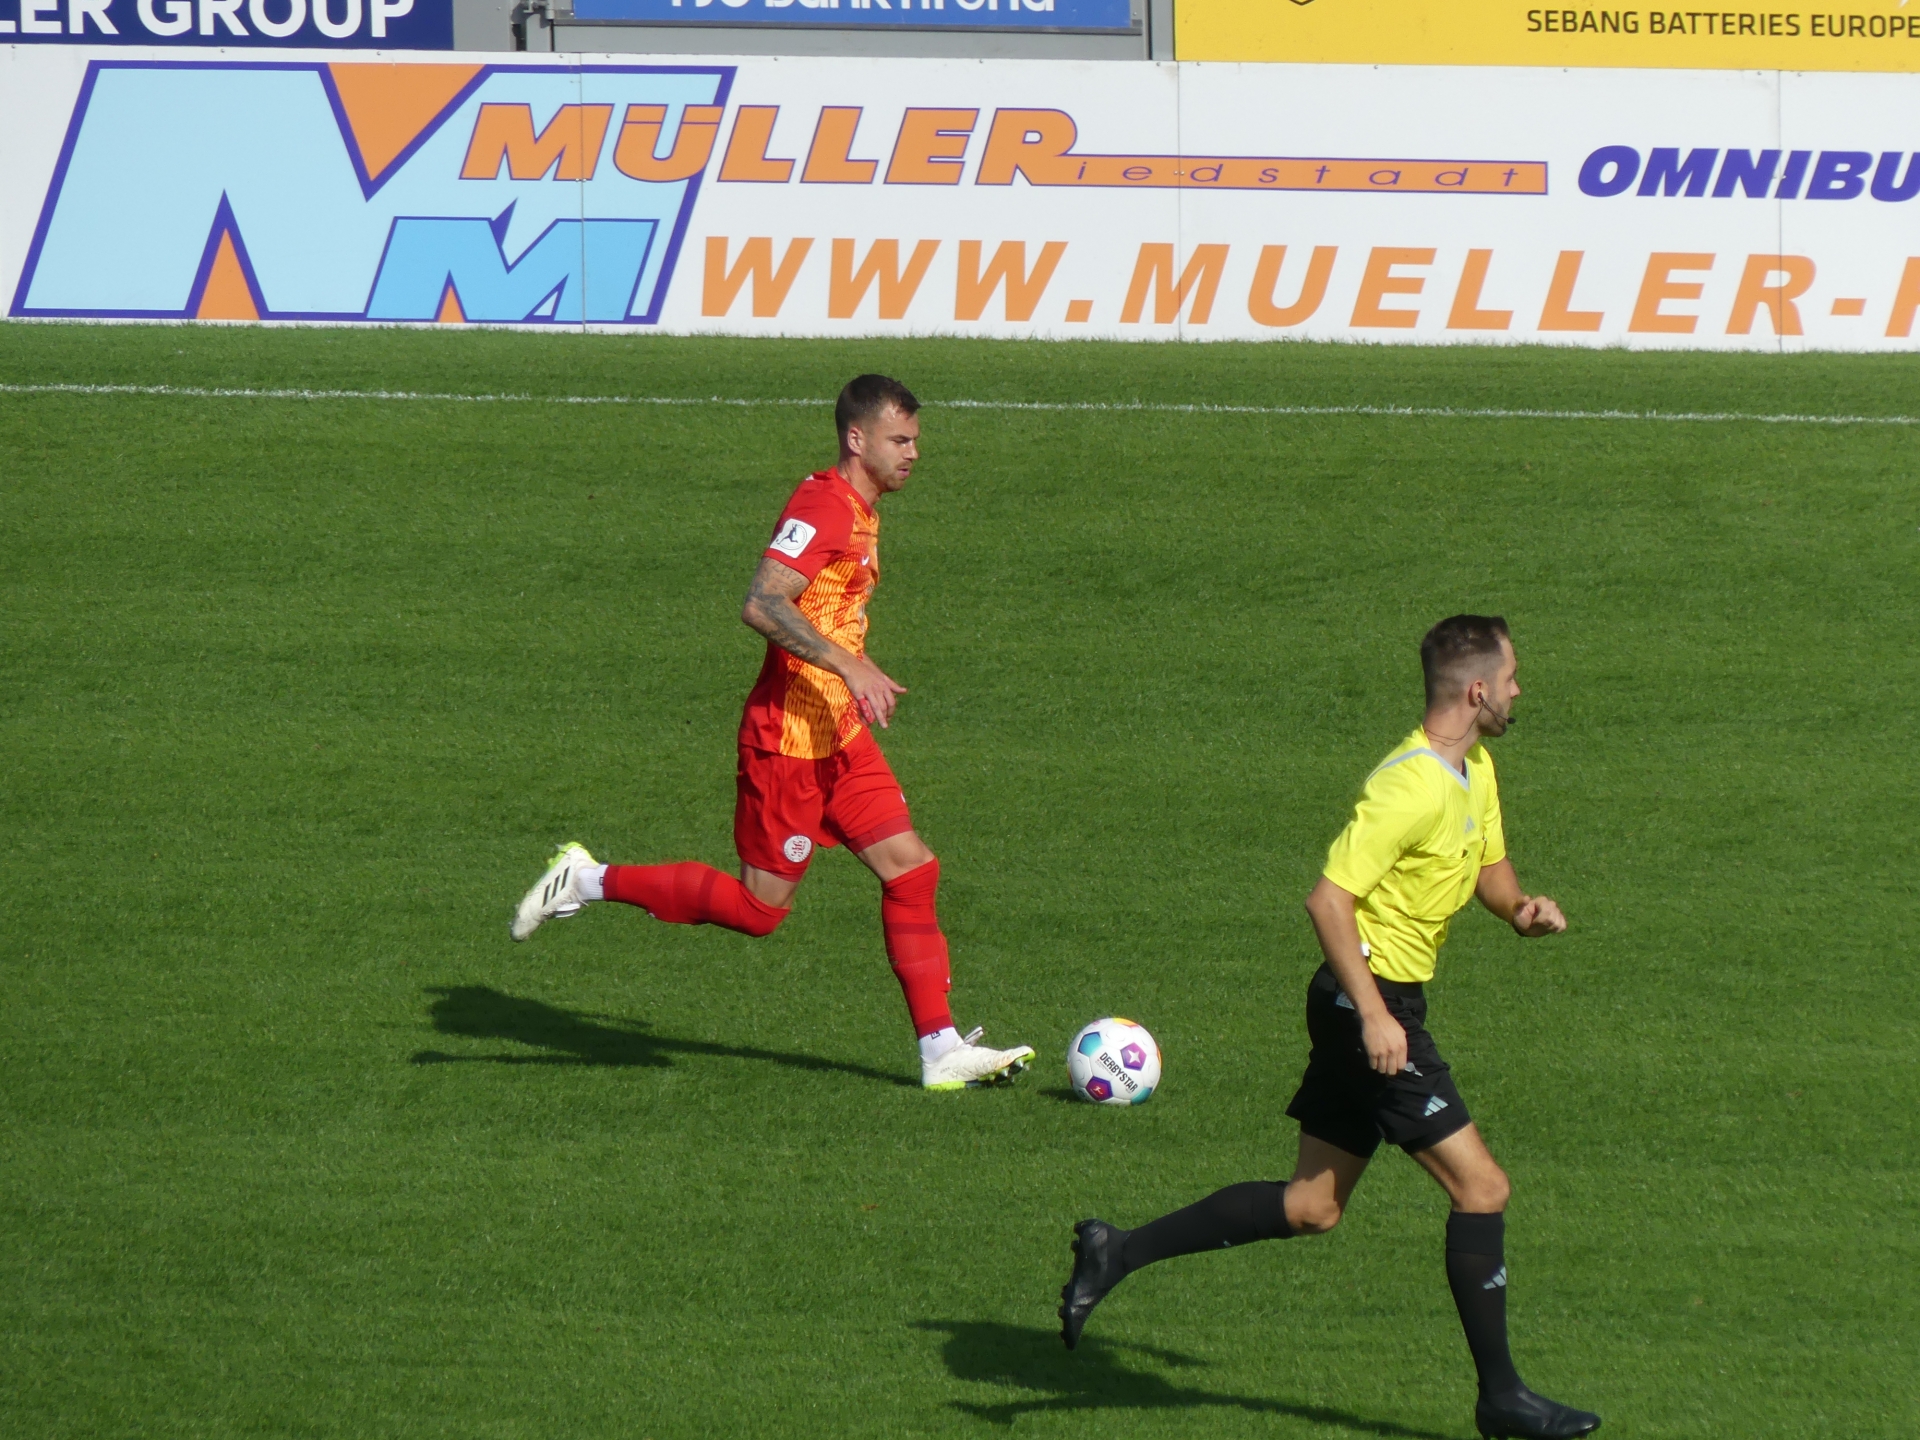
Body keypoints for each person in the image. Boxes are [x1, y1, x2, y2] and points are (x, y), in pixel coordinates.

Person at [1056, 616, 1600, 1440]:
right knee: (1482, 1188)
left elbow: (1489, 869)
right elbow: (1328, 900)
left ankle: (1115, 1251)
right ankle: (1503, 1401)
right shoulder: (1406, 784)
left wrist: (1521, 911)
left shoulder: (1474, 770)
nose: (1521, 689)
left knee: (1312, 1206)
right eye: (1513, 676)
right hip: (1366, 1004)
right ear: (1477, 689)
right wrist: (1377, 1015)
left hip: (1383, 1003)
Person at [509, 374, 1035, 1092]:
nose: (915, 453)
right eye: (900, 440)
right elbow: (761, 601)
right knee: (759, 910)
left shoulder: (861, 507)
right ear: (858, 439)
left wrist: (849, 673)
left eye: (916, 440)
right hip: (787, 743)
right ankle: (588, 878)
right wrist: (849, 664)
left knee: (912, 870)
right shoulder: (824, 505)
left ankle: (939, 1049)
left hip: (838, 737)